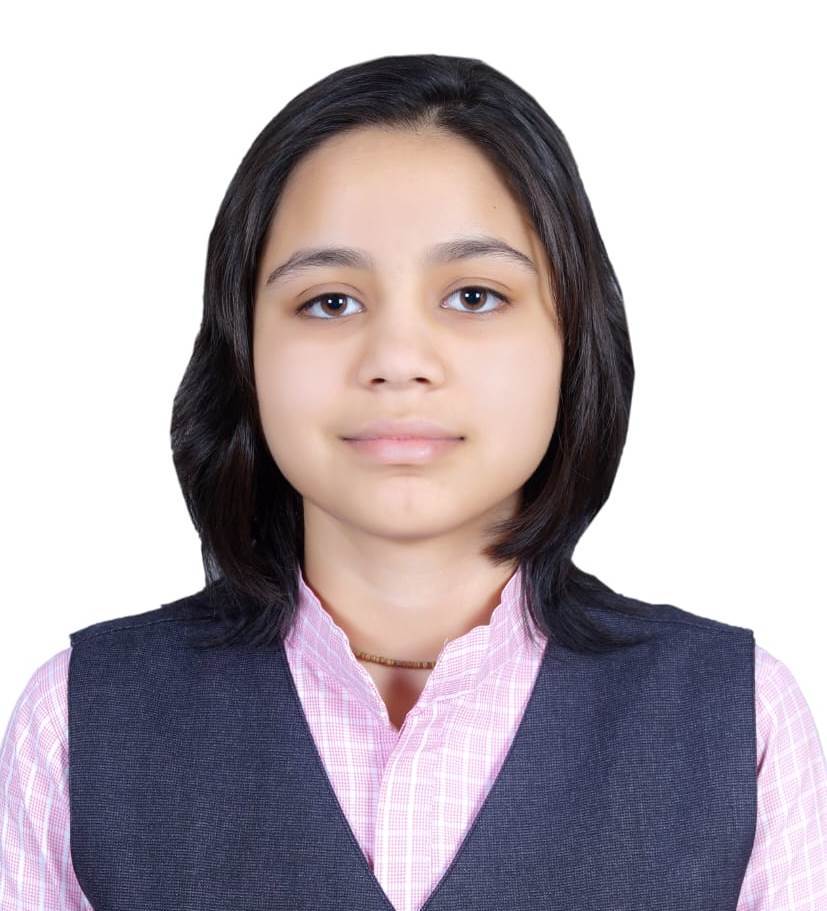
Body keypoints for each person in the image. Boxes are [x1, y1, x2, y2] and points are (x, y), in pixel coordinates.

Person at [1, 53, 825, 911]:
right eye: (329, 301)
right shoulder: (76, 724)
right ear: (243, 351)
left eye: (473, 296)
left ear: (572, 339)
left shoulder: (741, 722)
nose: (397, 360)